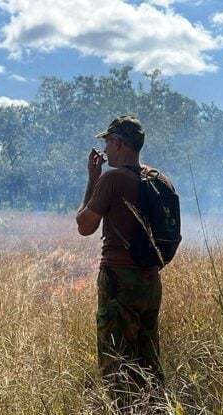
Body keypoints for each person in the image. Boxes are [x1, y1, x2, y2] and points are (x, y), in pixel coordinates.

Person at [76, 115, 169, 397]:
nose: (105, 150)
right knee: (148, 356)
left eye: (107, 142)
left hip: (118, 281)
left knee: (116, 359)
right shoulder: (160, 179)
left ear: (117, 143)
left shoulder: (112, 179)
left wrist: (93, 180)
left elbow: (84, 226)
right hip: (150, 280)